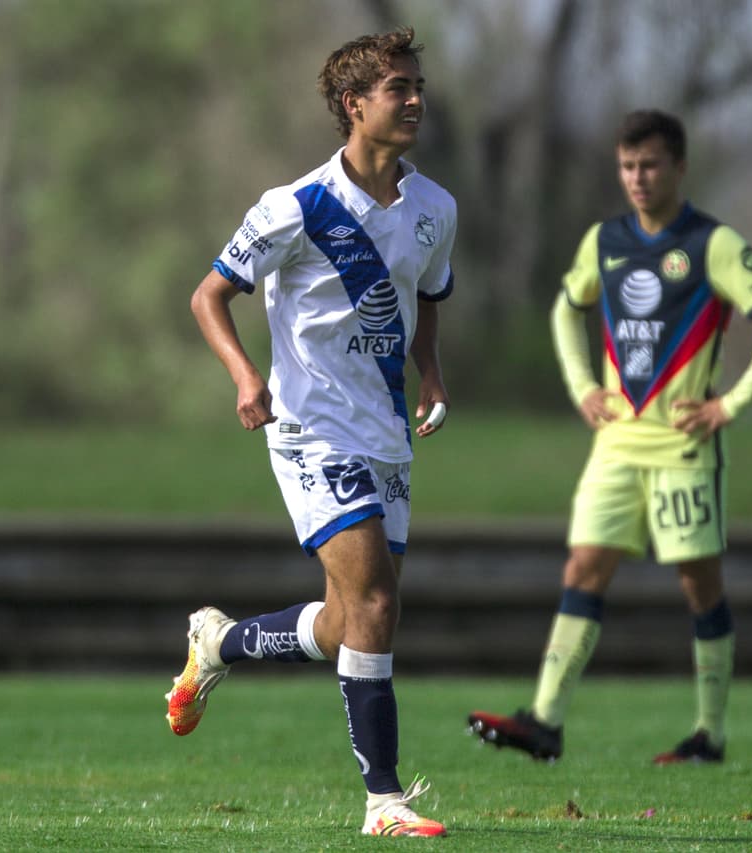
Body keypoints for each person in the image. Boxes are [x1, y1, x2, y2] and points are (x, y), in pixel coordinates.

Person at [166, 28, 455, 838]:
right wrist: (245, 376)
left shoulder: (436, 208)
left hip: (386, 431)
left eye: (418, 84)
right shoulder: (295, 206)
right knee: (372, 599)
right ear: (353, 105)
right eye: (398, 87)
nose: (415, 100)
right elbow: (207, 297)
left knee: (350, 620)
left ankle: (219, 643)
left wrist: (430, 371)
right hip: (311, 428)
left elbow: (430, 291)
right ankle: (384, 801)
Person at [468, 109, 752, 765]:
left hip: (683, 445)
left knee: (697, 584)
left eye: (650, 164)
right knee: (583, 567)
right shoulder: (605, 239)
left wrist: (731, 404)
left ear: (679, 167)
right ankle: (544, 720)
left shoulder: (714, 244)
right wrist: (580, 387)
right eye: (627, 166)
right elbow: (567, 307)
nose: (637, 178)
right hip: (617, 442)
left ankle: (709, 732)